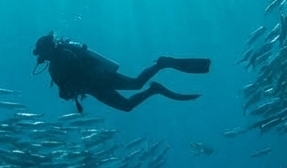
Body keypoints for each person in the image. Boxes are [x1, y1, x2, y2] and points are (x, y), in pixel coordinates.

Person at [32, 33, 211, 113]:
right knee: (127, 105)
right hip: (94, 89)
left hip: (100, 79)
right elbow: (64, 87)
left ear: (47, 49)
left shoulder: (63, 55)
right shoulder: (54, 66)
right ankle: (154, 88)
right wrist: (67, 92)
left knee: (136, 84)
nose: (41, 56)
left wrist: (69, 88)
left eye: (41, 52)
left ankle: (161, 64)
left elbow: (77, 72)